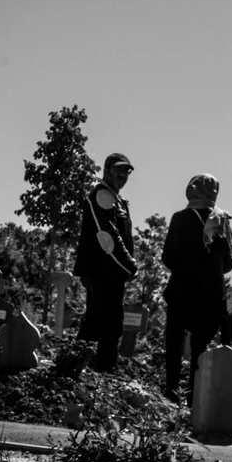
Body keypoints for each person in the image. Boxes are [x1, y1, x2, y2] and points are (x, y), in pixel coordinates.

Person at [160, 173, 232, 404]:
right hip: (211, 297)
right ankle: (195, 399)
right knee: (199, 349)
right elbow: (229, 264)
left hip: (181, 293)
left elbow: (168, 257)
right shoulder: (223, 223)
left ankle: (172, 392)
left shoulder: (180, 219)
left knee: (174, 345)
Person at [73, 152, 138, 372]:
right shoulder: (102, 196)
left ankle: (90, 370)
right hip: (101, 272)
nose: (123, 175)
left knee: (106, 323)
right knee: (102, 323)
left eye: (127, 172)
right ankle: (82, 368)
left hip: (112, 273)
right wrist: (129, 264)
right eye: (118, 170)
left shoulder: (116, 199)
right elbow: (108, 237)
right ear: (107, 170)